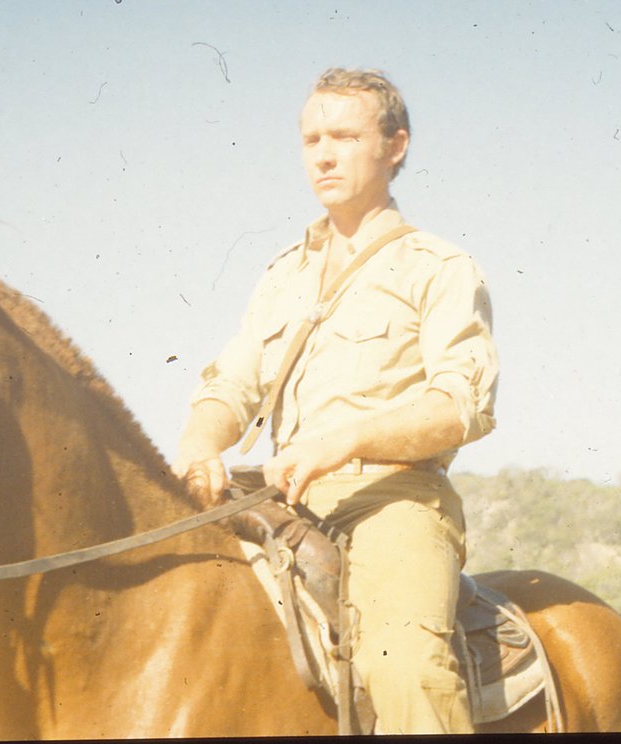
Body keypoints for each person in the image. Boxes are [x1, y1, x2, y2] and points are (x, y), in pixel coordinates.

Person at [171, 67, 499, 734]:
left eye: (345, 136)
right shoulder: (283, 273)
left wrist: (342, 440)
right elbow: (233, 382)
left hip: (390, 502)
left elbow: (462, 407)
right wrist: (201, 441)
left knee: (403, 661)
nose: (322, 154)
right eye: (311, 138)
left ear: (395, 146)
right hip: (277, 502)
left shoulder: (438, 267)